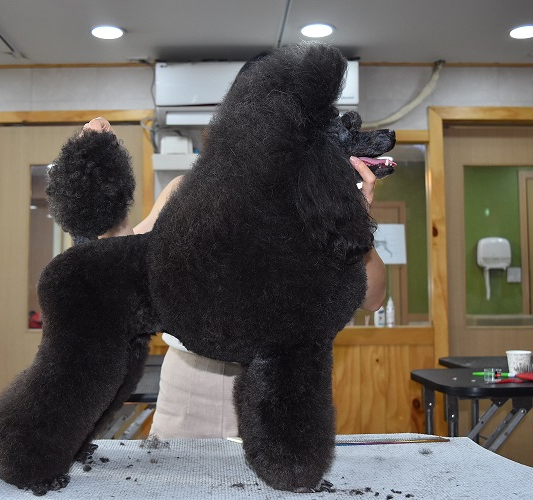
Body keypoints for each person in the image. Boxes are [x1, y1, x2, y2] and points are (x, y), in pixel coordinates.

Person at [78, 116, 386, 439]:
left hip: (282, 385)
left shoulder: (316, 204)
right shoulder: (184, 192)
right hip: (191, 384)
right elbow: (124, 266)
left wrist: (354, 224)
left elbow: (373, 298)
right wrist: (103, 182)